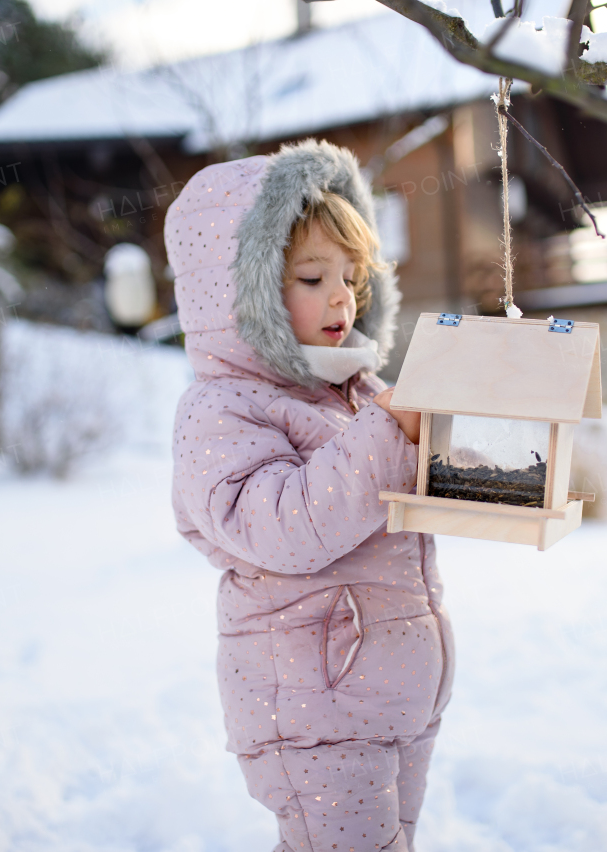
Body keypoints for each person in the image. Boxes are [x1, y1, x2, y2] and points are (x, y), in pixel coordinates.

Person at [167, 139, 453, 851]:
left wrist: (487, 464)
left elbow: (406, 490)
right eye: (310, 276)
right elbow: (285, 526)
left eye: (352, 276)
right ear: (244, 292)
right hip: (313, 708)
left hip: (396, 693)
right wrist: (393, 431)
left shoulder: (361, 394)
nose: (341, 297)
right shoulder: (224, 409)